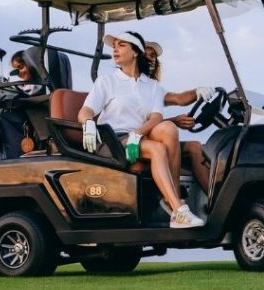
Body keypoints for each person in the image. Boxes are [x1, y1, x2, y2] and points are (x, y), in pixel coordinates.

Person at [79, 31, 205, 229]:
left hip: (138, 137)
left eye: (121, 45)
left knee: (168, 128)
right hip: (113, 141)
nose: (115, 49)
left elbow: (156, 117)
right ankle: (178, 209)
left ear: (135, 52)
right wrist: (87, 122)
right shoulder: (106, 81)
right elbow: (86, 110)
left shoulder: (152, 86)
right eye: (114, 46)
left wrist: (137, 134)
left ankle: (175, 206)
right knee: (158, 149)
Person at [142, 39, 215, 190]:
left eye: (153, 56)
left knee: (196, 147)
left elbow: (179, 98)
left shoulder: (154, 88)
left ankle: (215, 204)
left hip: (156, 136)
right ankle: (175, 200)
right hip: (139, 138)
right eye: (146, 54)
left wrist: (197, 92)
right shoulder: (127, 86)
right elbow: (140, 124)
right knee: (173, 132)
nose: (150, 59)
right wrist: (174, 121)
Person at [0, 51, 45, 158]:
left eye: (21, 67)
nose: (20, 72)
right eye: (16, 70)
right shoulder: (25, 86)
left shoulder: (39, 85)